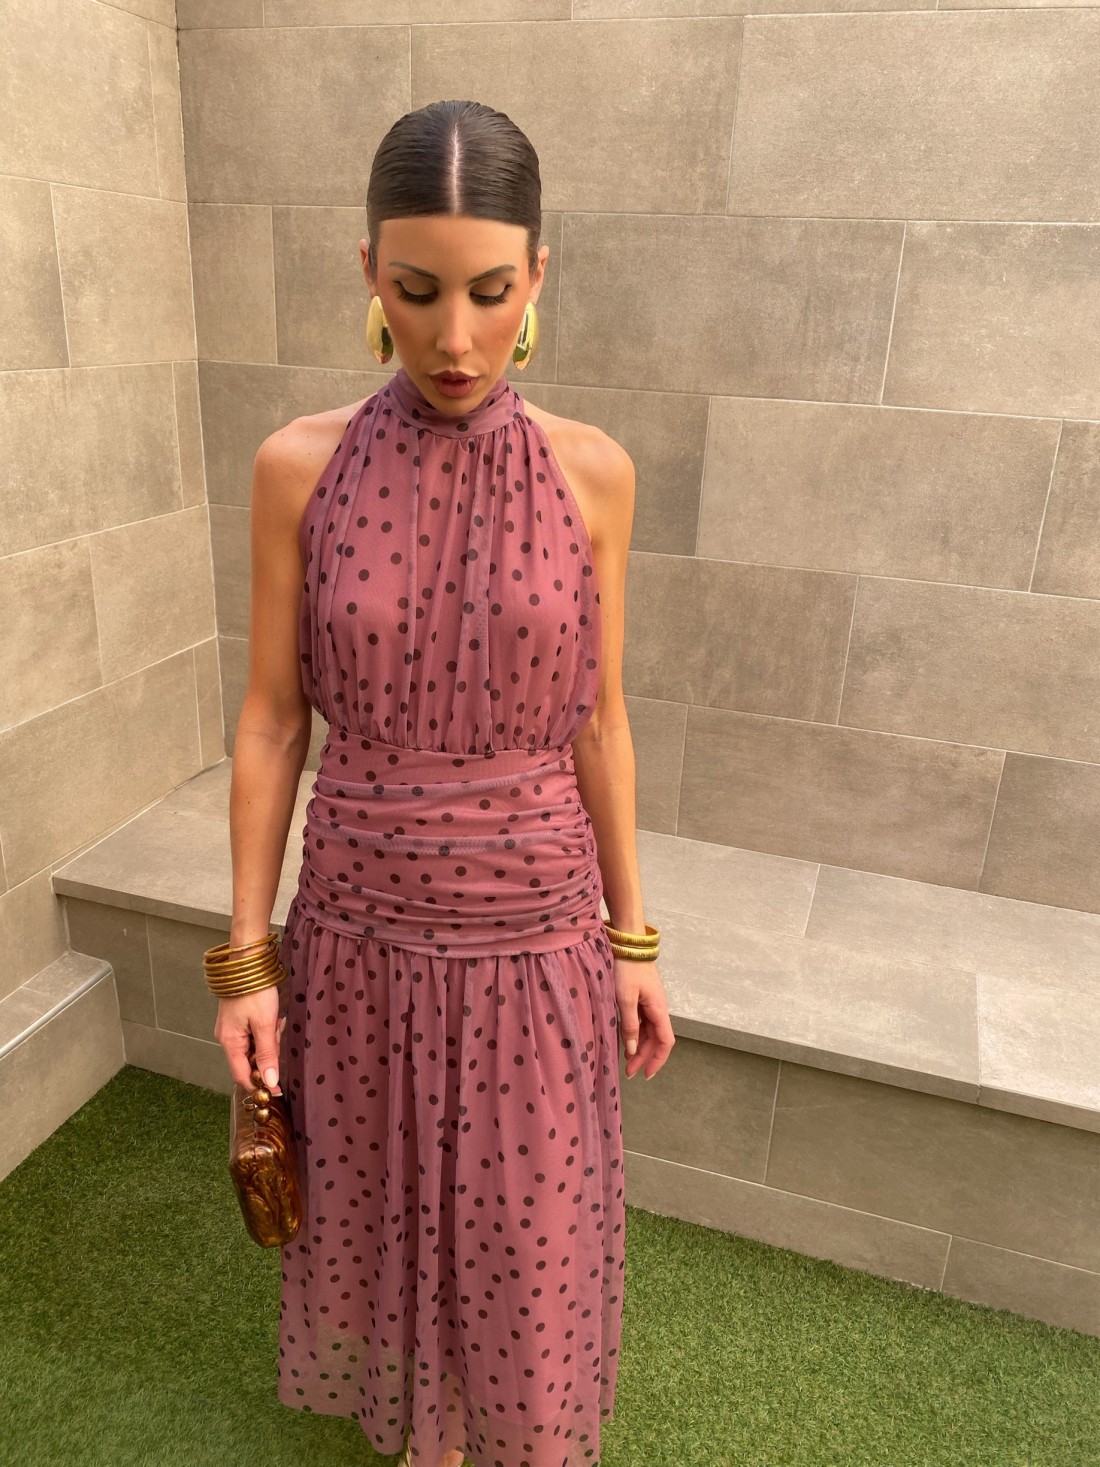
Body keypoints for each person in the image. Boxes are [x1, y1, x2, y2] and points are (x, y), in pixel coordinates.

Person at [213, 99, 675, 1467]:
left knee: (527, 1235)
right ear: (369, 271)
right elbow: (271, 723)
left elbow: (601, 721)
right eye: (417, 293)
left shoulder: (594, 477)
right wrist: (247, 959)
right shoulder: (297, 468)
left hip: (537, 930)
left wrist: (635, 937)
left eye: (488, 291)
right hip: (355, 929)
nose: (455, 339)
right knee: (380, 1207)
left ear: (537, 277)